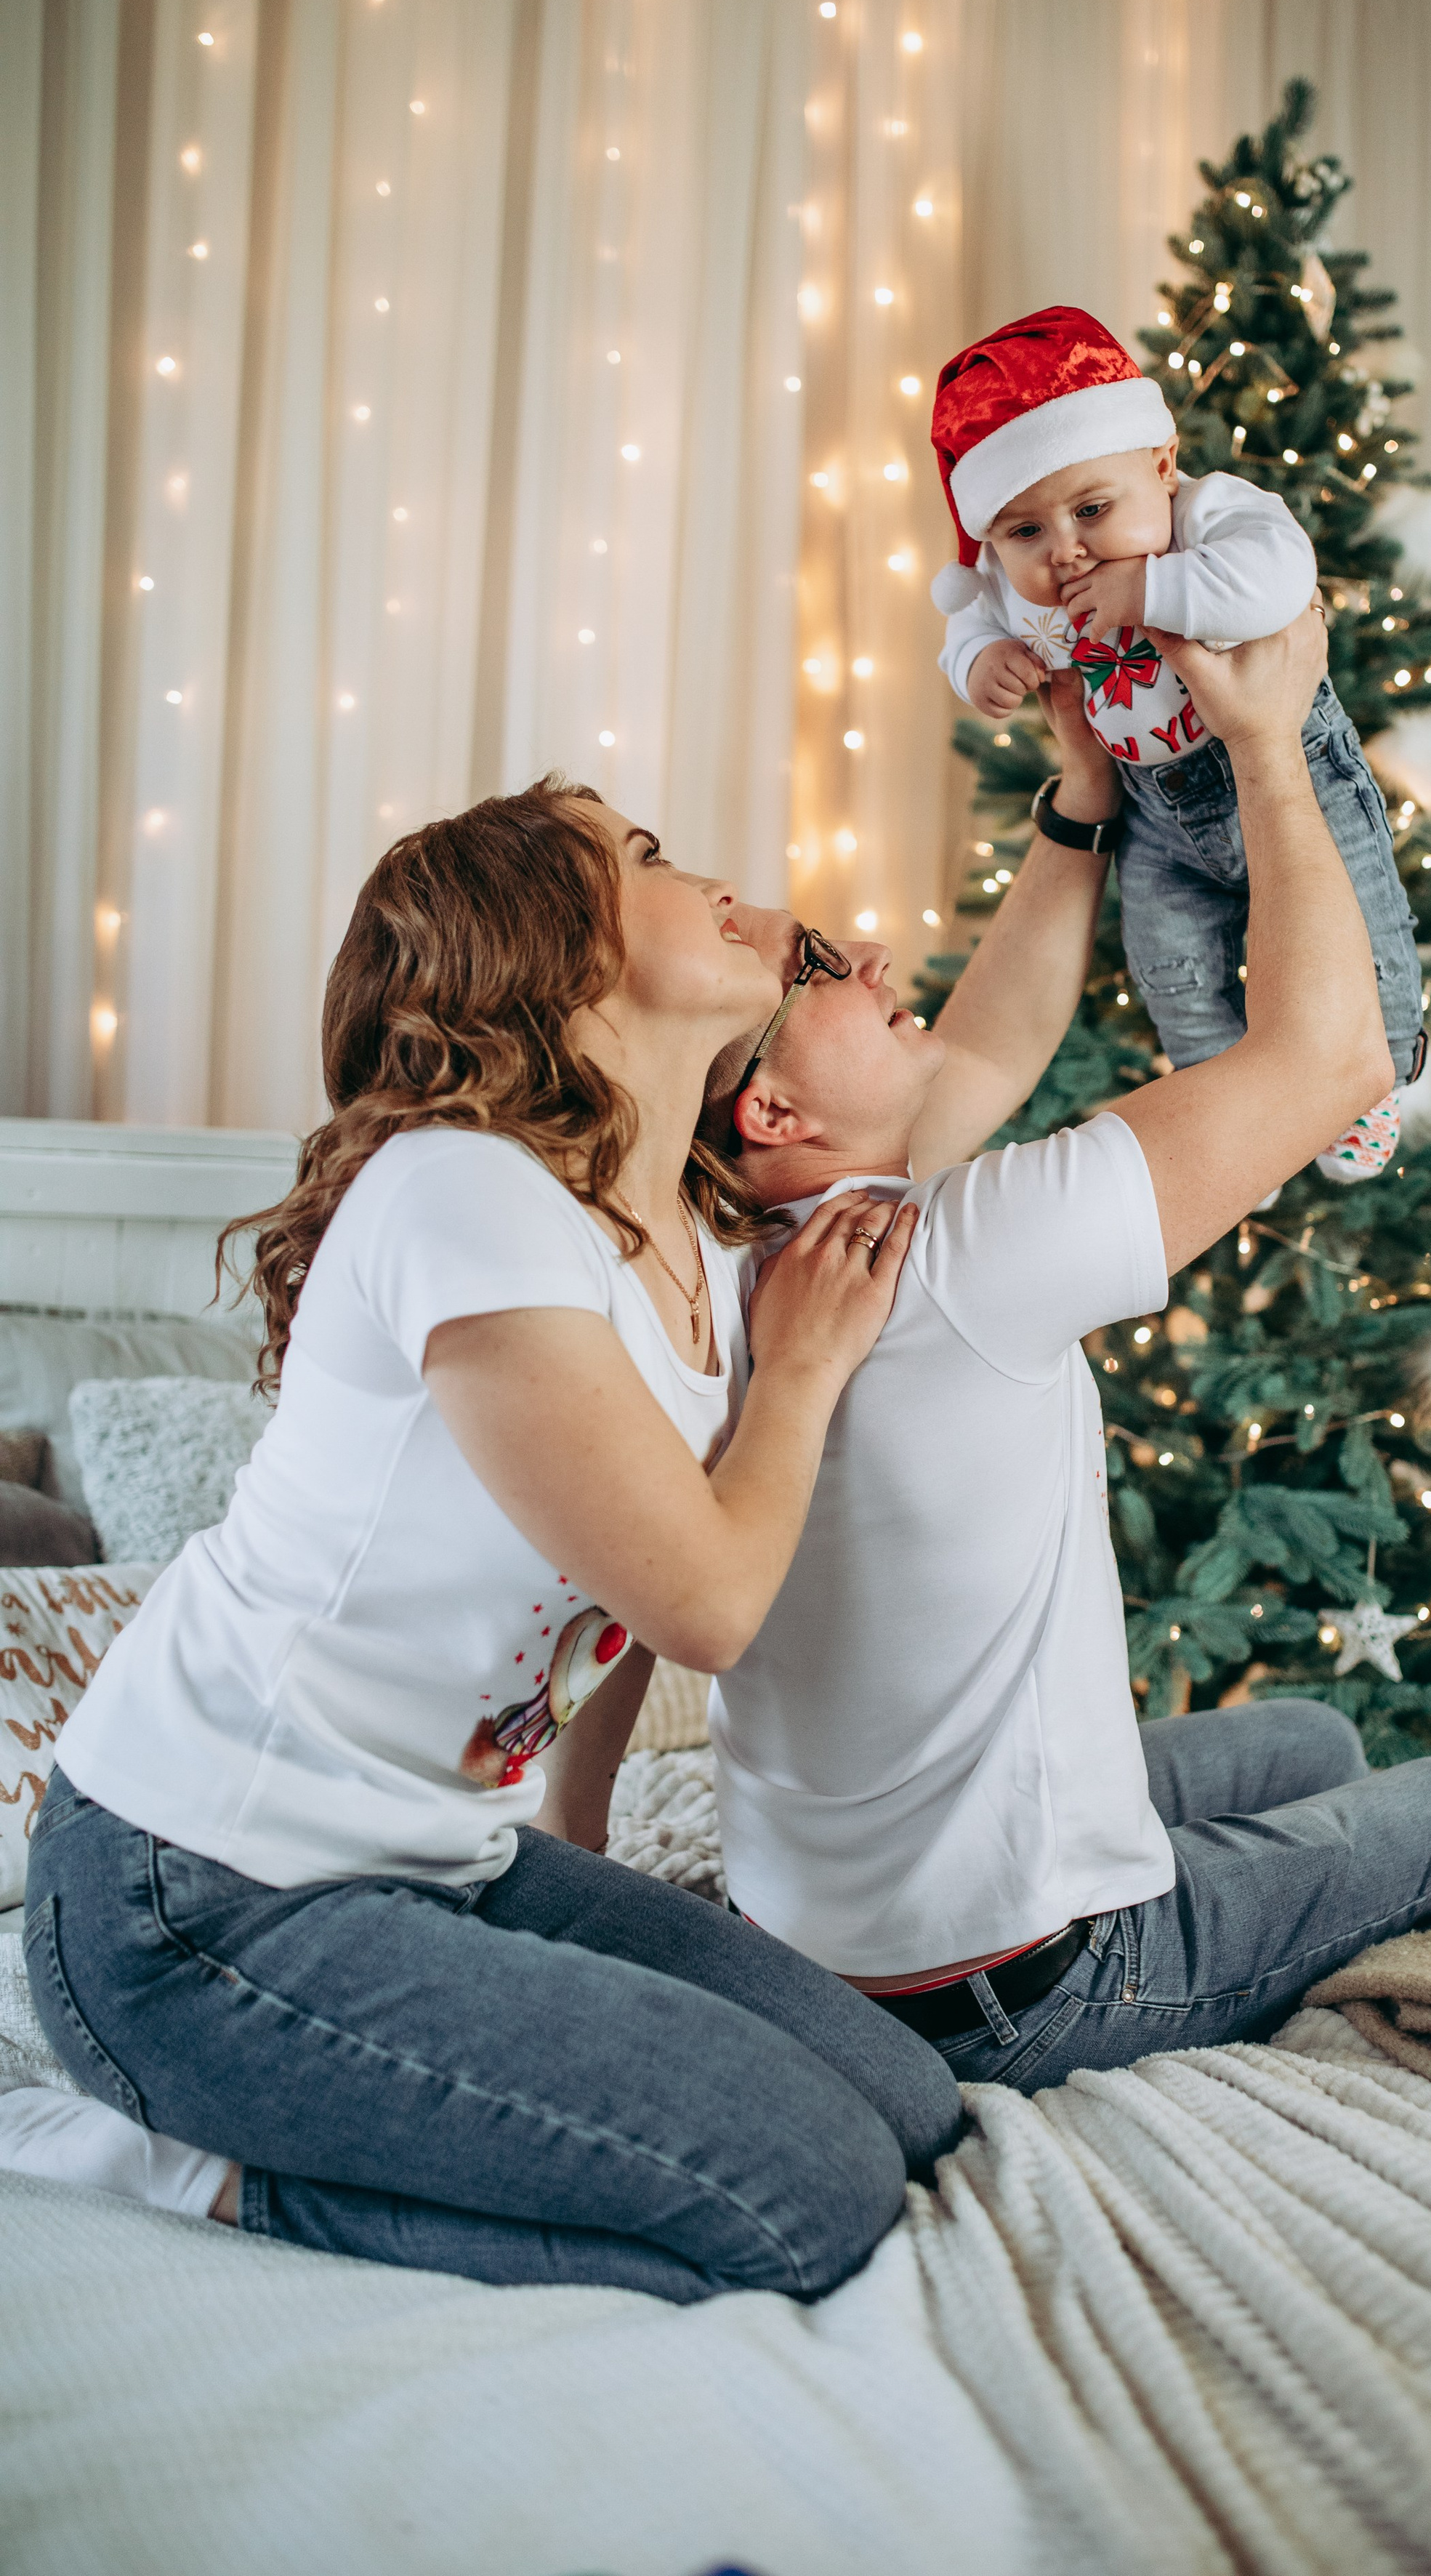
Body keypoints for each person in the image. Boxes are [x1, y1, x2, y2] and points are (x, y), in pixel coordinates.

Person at [18, 779, 960, 2293]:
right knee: (807, 2197)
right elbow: (704, 1601)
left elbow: (971, 1066)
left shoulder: (695, 1243)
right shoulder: (460, 1191)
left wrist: (1080, 809)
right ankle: (163, 2170)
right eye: (639, 859)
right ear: (547, 953)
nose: (704, 873)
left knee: (909, 2107)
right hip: (194, 1899)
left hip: (438, 1863)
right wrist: (800, 1376)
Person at [688, 612, 1431, 2096]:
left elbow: (989, 1046)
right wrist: (1271, 746)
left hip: (823, 1936)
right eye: (824, 966)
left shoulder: (727, 1249)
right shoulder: (963, 1257)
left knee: (1299, 1747)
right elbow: (1334, 1056)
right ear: (772, 1115)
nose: (877, 949)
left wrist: (1081, 799)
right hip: (1018, 1989)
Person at [930, 304, 1424, 1185]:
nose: (1068, 553)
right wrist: (986, 664)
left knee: (1362, 926)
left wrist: (1150, 588)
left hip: (1295, 769)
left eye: (1091, 509)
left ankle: (1374, 1071)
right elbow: (965, 624)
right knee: (1172, 968)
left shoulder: (1208, 517)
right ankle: (1234, 1112)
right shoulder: (1018, 590)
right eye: (1025, 533)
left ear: (1160, 465)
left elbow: (1278, 579)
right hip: (1153, 814)